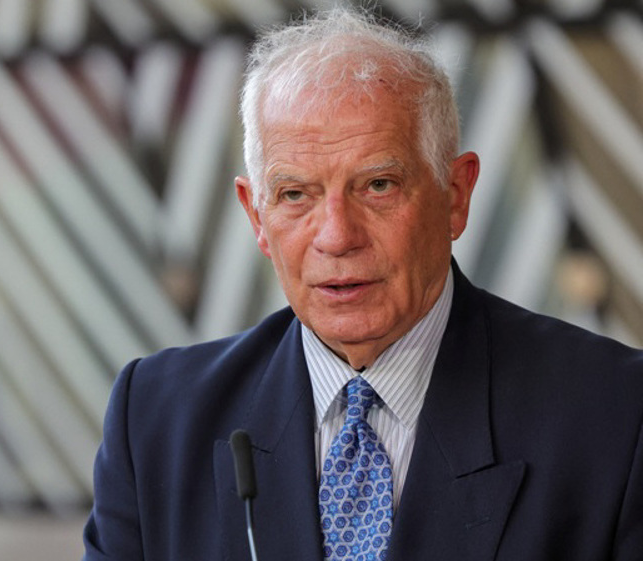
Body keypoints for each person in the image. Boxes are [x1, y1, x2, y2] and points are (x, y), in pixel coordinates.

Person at [82, 8, 643, 561]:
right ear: (256, 217)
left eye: (378, 185)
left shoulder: (614, 415)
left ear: (456, 195)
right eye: (295, 195)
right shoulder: (156, 420)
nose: (336, 236)